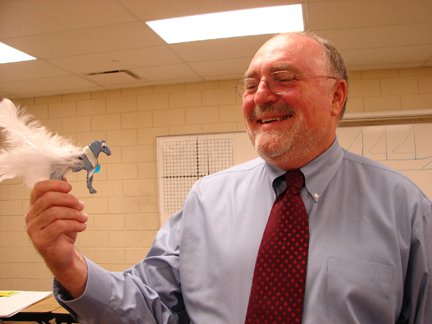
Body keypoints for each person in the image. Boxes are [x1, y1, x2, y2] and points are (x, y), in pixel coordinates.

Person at [26, 32, 431, 323]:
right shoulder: (206, 199)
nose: (261, 96)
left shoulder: (406, 208)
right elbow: (150, 307)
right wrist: (69, 265)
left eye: (283, 78)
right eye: (251, 84)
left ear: (336, 96)